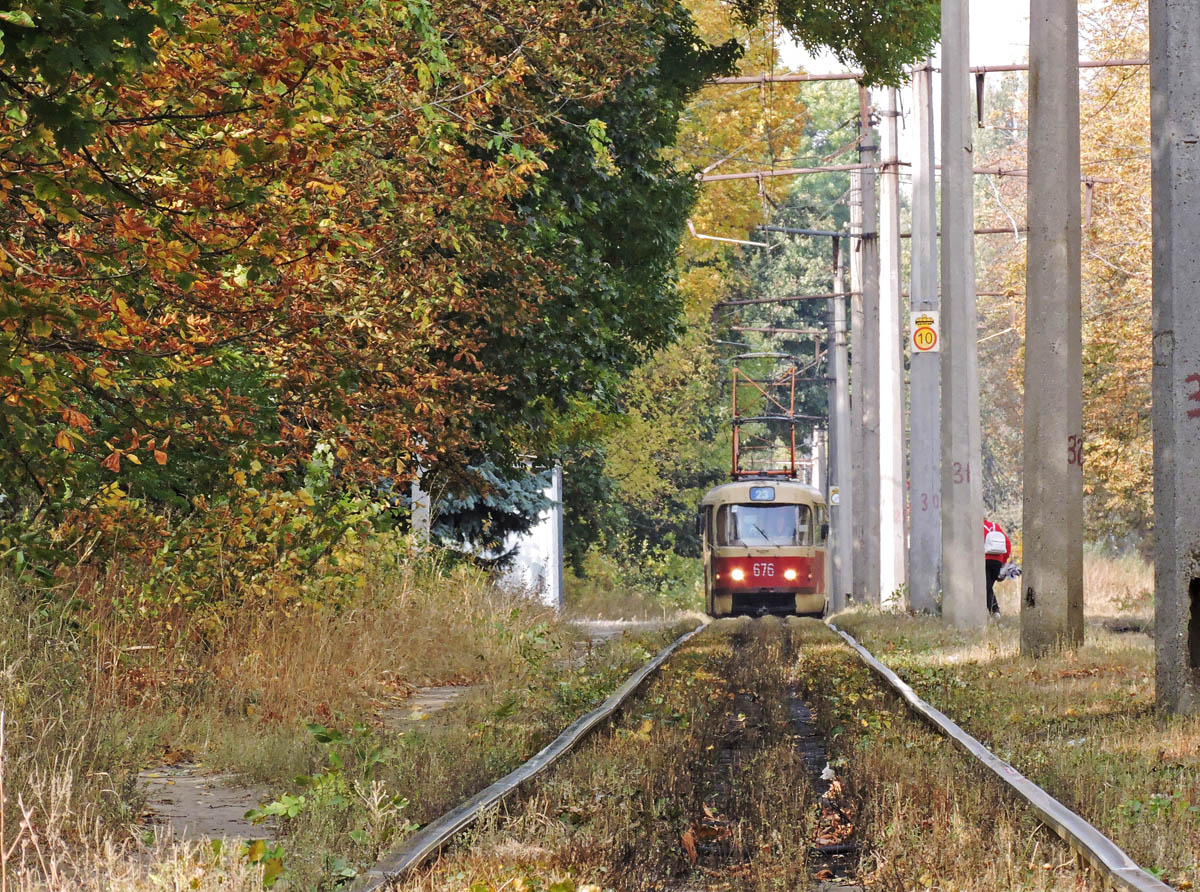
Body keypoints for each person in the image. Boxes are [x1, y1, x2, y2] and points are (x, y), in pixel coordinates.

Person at [983, 518, 1011, 616]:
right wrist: (1003, 560)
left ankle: (995, 612)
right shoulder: (995, 527)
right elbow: (1007, 543)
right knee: (987, 587)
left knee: (985, 588)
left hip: (984, 561)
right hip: (997, 562)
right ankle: (995, 612)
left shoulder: (977, 528)